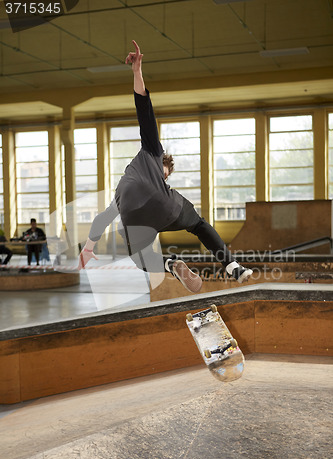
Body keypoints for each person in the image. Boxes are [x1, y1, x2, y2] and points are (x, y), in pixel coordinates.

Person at [78, 40, 253, 293]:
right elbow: (144, 109)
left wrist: (88, 248)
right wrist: (137, 72)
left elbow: (101, 220)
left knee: (140, 258)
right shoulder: (153, 149)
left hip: (132, 214)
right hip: (164, 207)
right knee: (199, 225)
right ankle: (233, 266)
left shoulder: (122, 188)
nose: (164, 177)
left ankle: (170, 264)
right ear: (162, 165)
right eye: (165, 174)